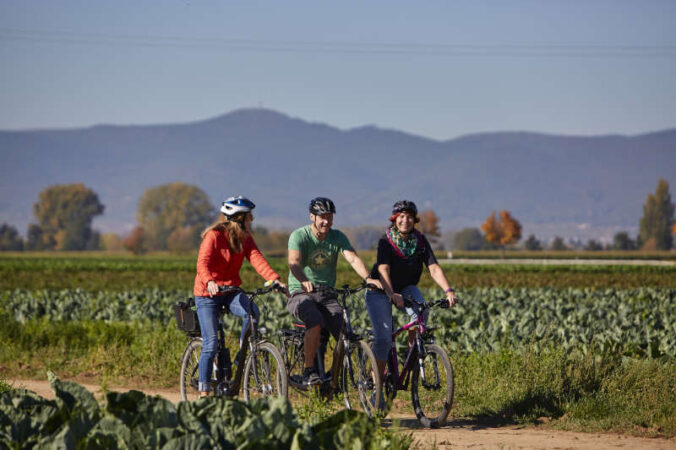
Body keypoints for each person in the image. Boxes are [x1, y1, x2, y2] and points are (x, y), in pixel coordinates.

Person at [193, 195, 287, 397]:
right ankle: (204, 392)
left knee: (252, 312)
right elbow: (202, 263)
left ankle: (241, 356)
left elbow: (257, 259)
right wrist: (209, 281)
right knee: (211, 345)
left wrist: (274, 279)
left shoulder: (245, 238)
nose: (251, 220)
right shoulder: (214, 236)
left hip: (230, 292)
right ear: (237, 218)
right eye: (248, 216)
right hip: (207, 294)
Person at [287, 197, 382, 385]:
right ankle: (308, 370)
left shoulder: (337, 237)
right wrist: (303, 280)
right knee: (314, 320)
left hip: (327, 294)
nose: (326, 222)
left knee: (343, 331)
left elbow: (353, 259)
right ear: (312, 217)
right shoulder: (299, 235)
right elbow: (293, 263)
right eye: (322, 217)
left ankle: (333, 376)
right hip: (300, 292)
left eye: (330, 217)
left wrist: (368, 279)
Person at [365, 200, 457, 377]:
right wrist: (391, 293)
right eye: (401, 217)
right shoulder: (386, 242)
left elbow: (434, 268)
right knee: (384, 339)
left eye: (409, 217)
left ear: (415, 220)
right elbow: (383, 269)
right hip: (381, 290)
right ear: (394, 219)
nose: (405, 220)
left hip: (406, 287)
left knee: (422, 313)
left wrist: (448, 290)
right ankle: (376, 383)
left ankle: (411, 355)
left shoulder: (420, 241)